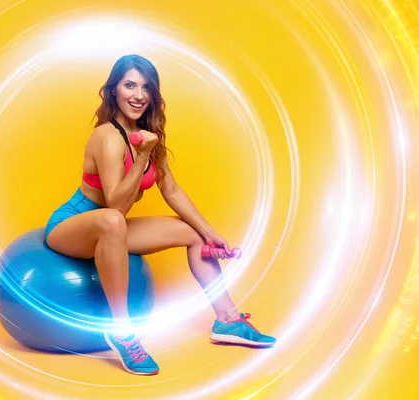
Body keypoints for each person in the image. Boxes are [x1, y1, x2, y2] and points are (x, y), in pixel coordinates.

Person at [44, 54, 275, 376]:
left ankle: (228, 321)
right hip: (72, 226)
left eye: (146, 87)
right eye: (129, 85)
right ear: (113, 91)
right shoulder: (106, 137)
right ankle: (123, 331)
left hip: (113, 229)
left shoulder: (149, 135)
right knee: (112, 221)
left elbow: (172, 191)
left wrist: (209, 233)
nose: (138, 94)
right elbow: (116, 205)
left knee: (191, 233)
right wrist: (140, 157)